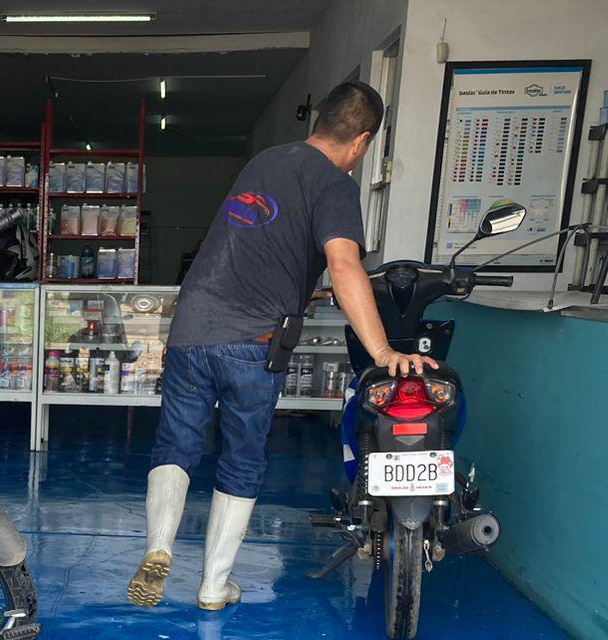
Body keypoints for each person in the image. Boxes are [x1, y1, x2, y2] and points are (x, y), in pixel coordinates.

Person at [128, 80, 435, 611]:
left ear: (319, 120)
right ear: (361, 142)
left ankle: (158, 548)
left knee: (176, 445)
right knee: (241, 459)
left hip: (191, 327)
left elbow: (259, 241)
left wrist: (299, 287)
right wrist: (384, 352)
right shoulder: (336, 185)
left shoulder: (266, 162)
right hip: (252, 340)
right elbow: (344, 264)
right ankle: (213, 585)